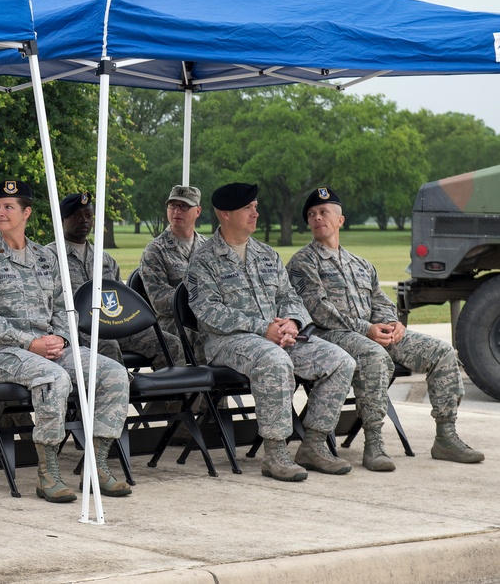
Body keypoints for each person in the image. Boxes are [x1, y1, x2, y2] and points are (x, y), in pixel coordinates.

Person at [288, 187, 483, 471]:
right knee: (373, 355)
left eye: (324, 212)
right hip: (330, 337)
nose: (317, 218)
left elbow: (381, 302)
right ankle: (374, 442)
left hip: (372, 332)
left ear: (340, 220)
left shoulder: (361, 264)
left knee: (440, 351)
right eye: (312, 214)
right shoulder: (303, 263)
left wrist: (392, 324)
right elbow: (319, 310)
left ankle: (446, 436)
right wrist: (367, 328)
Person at [0, 180, 131, 502]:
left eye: (8, 206)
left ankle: (96, 465)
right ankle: (48, 474)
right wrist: (31, 343)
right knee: (53, 378)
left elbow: (62, 307)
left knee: (112, 373)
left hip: (49, 347)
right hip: (1, 352)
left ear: (26, 213)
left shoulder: (46, 258)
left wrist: (60, 339)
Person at [185, 182, 356, 482]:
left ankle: (313, 445)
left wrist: (292, 322)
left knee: (341, 361)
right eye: (247, 208)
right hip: (228, 342)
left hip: (277, 337)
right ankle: (275, 454)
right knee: (273, 360)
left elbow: (290, 296)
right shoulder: (203, 259)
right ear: (225, 214)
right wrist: (262, 328)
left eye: (255, 206)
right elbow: (208, 312)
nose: (256, 212)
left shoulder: (267, 255)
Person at [49, 192, 169, 369]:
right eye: (76, 216)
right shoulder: (49, 258)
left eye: (88, 215)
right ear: (62, 219)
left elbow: (121, 298)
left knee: (169, 343)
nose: (84, 220)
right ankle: (121, 394)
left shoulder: (104, 259)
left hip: (114, 324)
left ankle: (168, 396)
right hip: (77, 330)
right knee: (108, 346)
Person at [139, 185, 206, 362]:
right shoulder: (155, 251)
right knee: (203, 335)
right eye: (173, 206)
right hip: (171, 321)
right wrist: (201, 301)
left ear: (197, 211)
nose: (177, 211)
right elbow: (159, 300)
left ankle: (219, 387)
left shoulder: (208, 249)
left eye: (184, 206)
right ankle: (198, 389)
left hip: (207, 316)